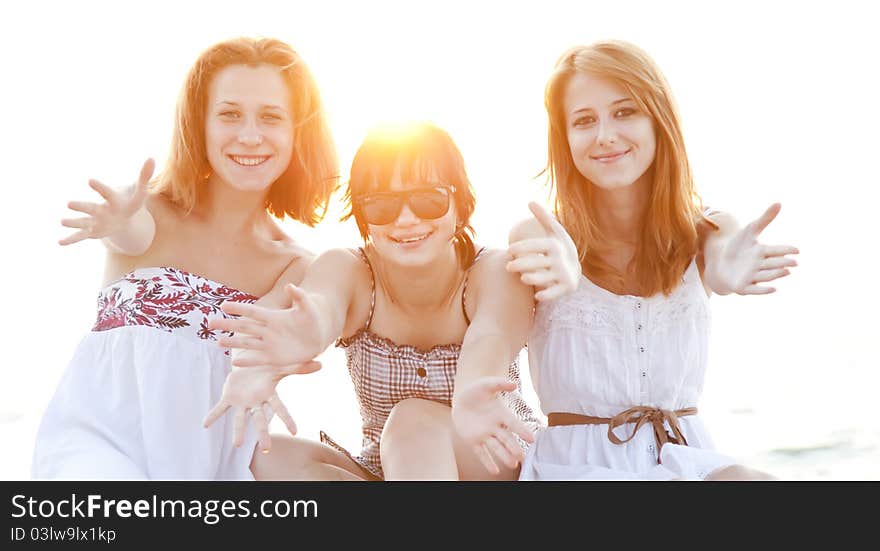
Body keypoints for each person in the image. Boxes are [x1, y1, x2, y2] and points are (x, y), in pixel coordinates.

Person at [32, 37, 338, 479]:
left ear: (297, 134)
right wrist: (118, 219)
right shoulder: (151, 214)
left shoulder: (295, 265)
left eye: (270, 117)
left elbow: (275, 345)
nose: (249, 135)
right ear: (200, 124)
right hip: (95, 449)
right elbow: (129, 233)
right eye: (229, 114)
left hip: (208, 468)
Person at [495, 40, 799, 480]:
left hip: (685, 458)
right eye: (584, 121)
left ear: (658, 119)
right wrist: (563, 269)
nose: (604, 136)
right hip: (577, 466)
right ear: (565, 139)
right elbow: (534, 249)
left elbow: (722, 254)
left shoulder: (708, 232)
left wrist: (727, 272)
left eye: (624, 112)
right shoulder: (540, 234)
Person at [206, 122, 572, 480]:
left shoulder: (489, 270)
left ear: (459, 205)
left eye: (428, 199)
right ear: (364, 217)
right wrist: (298, 337)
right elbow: (322, 306)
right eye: (382, 206)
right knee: (266, 457)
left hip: (493, 454)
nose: (406, 219)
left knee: (410, 420)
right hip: (390, 465)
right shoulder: (351, 269)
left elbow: (490, 338)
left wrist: (472, 392)